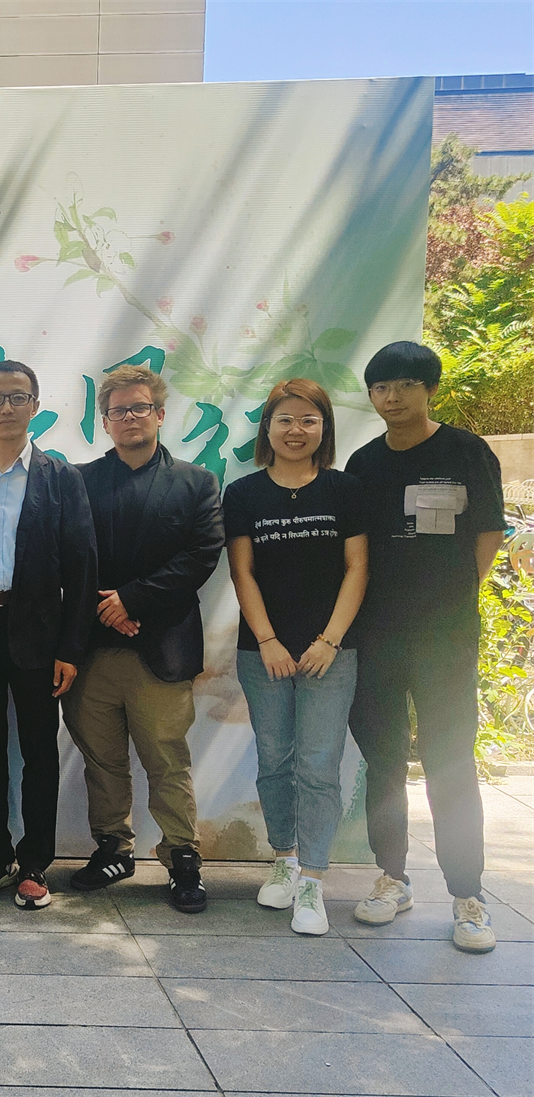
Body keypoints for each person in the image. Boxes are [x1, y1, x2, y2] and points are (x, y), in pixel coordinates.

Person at [345, 341, 505, 953]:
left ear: (430, 389)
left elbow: (488, 532)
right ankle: (393, 877)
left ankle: (468, 895)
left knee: (449, 760)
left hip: (446, 635)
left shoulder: (466, 451)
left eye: (407, 385)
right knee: (383, 759)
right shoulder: (364, 463)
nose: (393, 397)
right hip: (376, 633)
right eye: (381, 387)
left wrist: (454, 598)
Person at [61, 364, 224, 913]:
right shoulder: (78, 481)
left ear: (159, 413)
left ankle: (182, 857)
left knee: (167, 759)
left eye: (139, 407)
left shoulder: (197, 483)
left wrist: (133, 600)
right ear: (105, 421)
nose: (129, 417)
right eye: (117, 410)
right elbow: (66, 556)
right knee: (101, 759)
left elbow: (201, 556)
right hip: (93, 647)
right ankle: (113, 847)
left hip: (162, 648)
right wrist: (106, 608)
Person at [0, 361, 98, 908]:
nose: (6, 408)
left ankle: (34, 863)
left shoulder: (61, 478)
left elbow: (82, 567)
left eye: (18, 397)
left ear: (35, 406)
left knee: (38, 753)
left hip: (39, 630)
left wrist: (70, 647)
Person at [223, 379, 367, 935]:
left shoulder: (344, 489)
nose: (296, 430)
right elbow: (242, 571)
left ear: (324, 428)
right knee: (275, 760)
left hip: (331, 653)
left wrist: (329, 640)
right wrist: (267, 641)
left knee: (319, 766)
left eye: (309, 419)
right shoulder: (244, 494)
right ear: (268, 428)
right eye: (285, 419)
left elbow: (357, 567)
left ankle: (313, 878)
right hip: (264, 653)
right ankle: (283, 858)